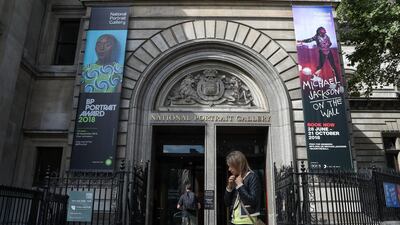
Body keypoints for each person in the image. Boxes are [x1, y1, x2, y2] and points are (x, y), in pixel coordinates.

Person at [224, 151, 261, 225]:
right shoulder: (237, 179)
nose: (229, 169)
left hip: (247, 222)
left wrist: (240, 185)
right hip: (234, 222)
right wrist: (229, 187)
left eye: (231, 166)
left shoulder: (252, 177)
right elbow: (227, 203)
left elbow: (253, 201)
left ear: (238, 165)